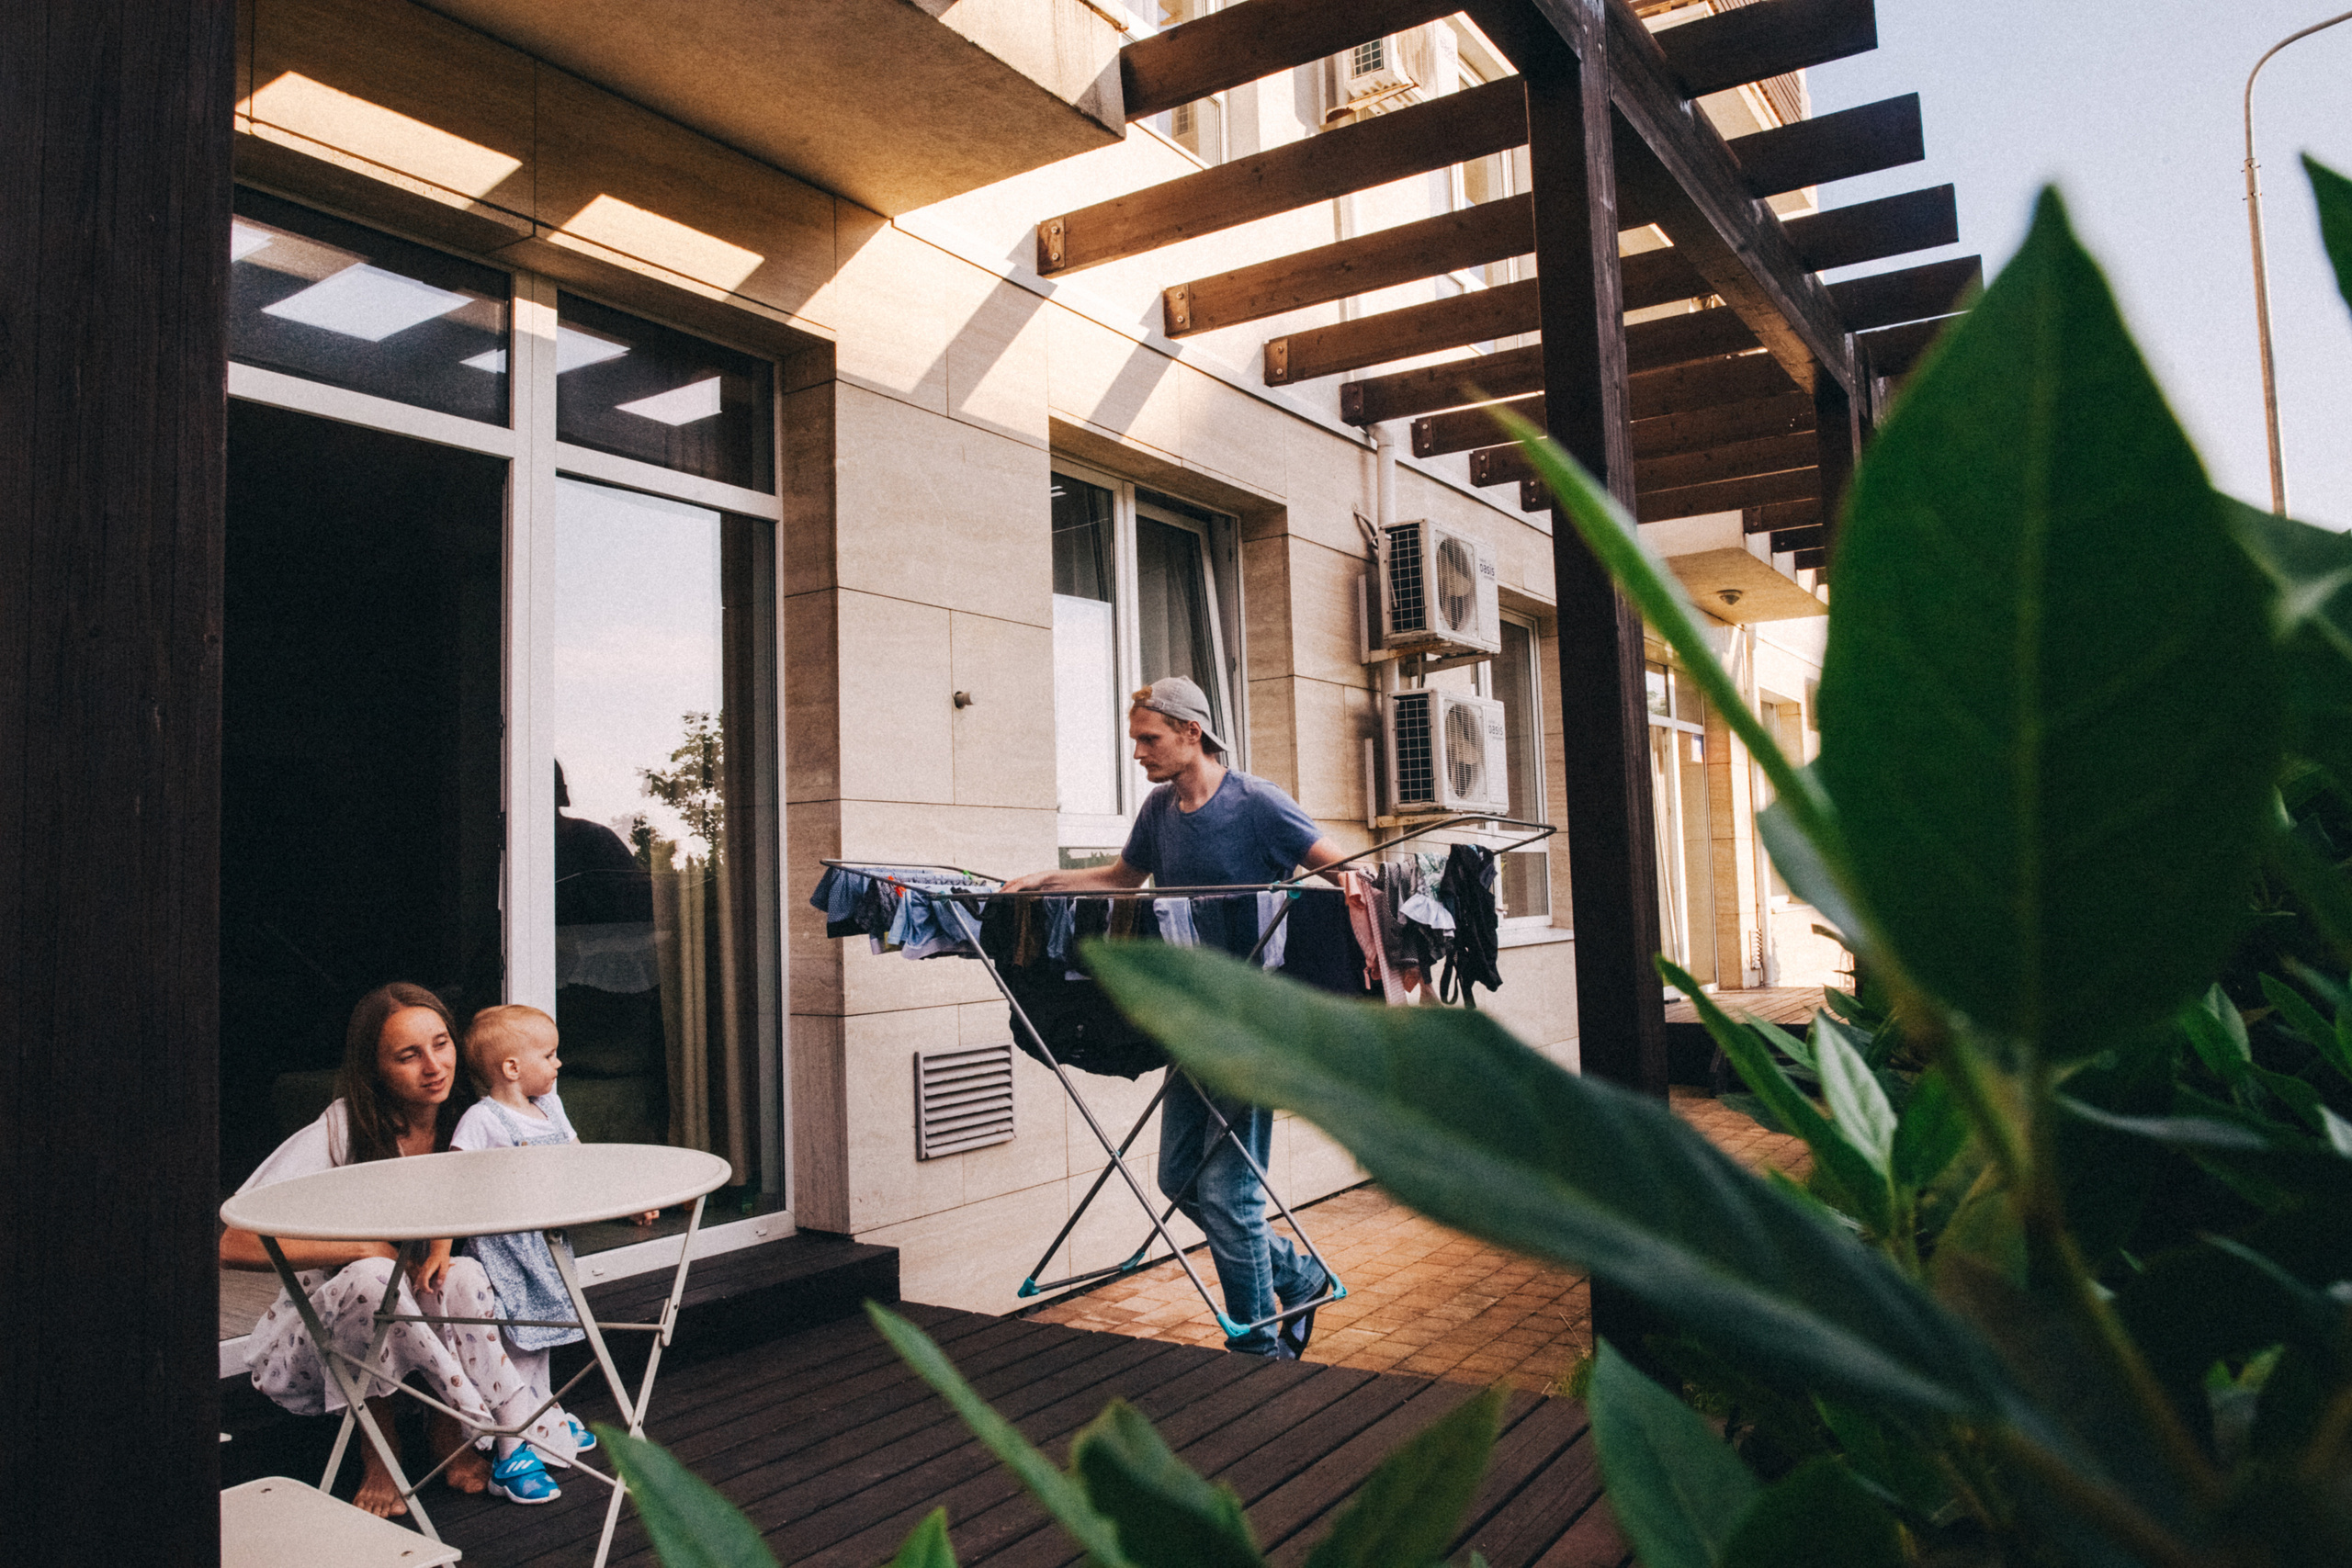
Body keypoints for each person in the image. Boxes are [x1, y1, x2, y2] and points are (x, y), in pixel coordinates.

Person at [1003, 676, 1344, 1358]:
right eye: (1134, 739)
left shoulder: (1257, 804)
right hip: (1190, 1018)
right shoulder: (1161, 810)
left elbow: (1345, 872)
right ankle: (1298, 1273)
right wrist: (1046, 880)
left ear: (1193, 732)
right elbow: (1123, 882)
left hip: (1251, 1024)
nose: (1138, 752)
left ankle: (1259, 1348)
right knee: (1177, 1177)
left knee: (1229, 1190)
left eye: (1147, 738)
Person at [220, 984, 571, 1513]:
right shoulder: (346, 1126)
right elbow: (235, 1242)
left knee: (467, 1276)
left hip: (428, 1323)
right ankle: (391, 1449)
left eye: (441, 1044)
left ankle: (449, 1433)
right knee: (371, 1279)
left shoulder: (474, 1121)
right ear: (375, 1069)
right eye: (409, 1056)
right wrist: (359, 1244)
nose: (434, 1066)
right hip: (323, 1340)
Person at [449, 1003, 652, 1460]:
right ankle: (515, 1432)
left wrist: (626, 1205)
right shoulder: (482, 1121)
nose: (559, 1063)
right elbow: (454, 1184)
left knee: (542, 1336)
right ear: (512, 1068)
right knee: (514, 1339)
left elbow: (580, 1167)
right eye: (550, 1055)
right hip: (505, 1249)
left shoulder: (551, 1108)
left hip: (549, 1247)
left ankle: (544, 1410)